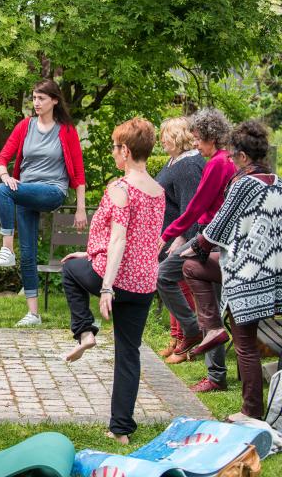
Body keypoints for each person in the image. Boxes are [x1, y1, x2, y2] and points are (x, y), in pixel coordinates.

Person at [61, 117, 165, 444]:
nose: (113, 152)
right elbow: (148, 239)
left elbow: (120, 239)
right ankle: (120, 430)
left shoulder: (121, 188)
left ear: (127, 151)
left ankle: (85, 331)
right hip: (144, 283)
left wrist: (106, 286)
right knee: (128, 354)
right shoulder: (158, 190)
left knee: (68, 273)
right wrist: (91, 255)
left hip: (117, 278)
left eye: (116, 147)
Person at [181, 120, 282, 421]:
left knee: (190, 266)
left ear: (240, 155)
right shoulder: (279, 183)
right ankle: (213, 328)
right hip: (275, 277)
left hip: (246, 277)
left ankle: (250, 411)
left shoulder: (242, 185)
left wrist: (195, 247)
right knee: (252, 346)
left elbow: (218, 227)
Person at [0, 79, 86, 327]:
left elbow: (78, 173)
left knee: (2, 192)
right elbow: (2, 158)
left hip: (52, 191)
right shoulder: (25, 126)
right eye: (34, 98)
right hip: (23, 191)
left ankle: (6, 248)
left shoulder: (66, 130)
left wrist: (80, 208)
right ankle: (33, 314)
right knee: (29, 254)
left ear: (54, 100)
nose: (36, 103)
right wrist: (6, 175)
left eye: (41, 98)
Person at [156, 108, 235, 395]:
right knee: (209, 304)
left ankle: (192, 334)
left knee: (166, 276)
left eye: (199, 139)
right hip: (214, 237)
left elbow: (196, 206)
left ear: (211, 137)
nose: (196, 144)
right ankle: (215, 374)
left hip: (209, 238)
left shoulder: (217, 163)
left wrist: (168, 235)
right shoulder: (223, 160)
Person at [154, 117, 206, 358]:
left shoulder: (189, 165)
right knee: (172, 287)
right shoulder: (175, 160)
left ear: (176, 136)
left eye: (165, 134)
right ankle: (177, 338)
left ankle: (188, 340)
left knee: (181, 287)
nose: (161, 139)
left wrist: (181, 238)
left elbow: (191, 208)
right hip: (169, 233)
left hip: (181, 236)